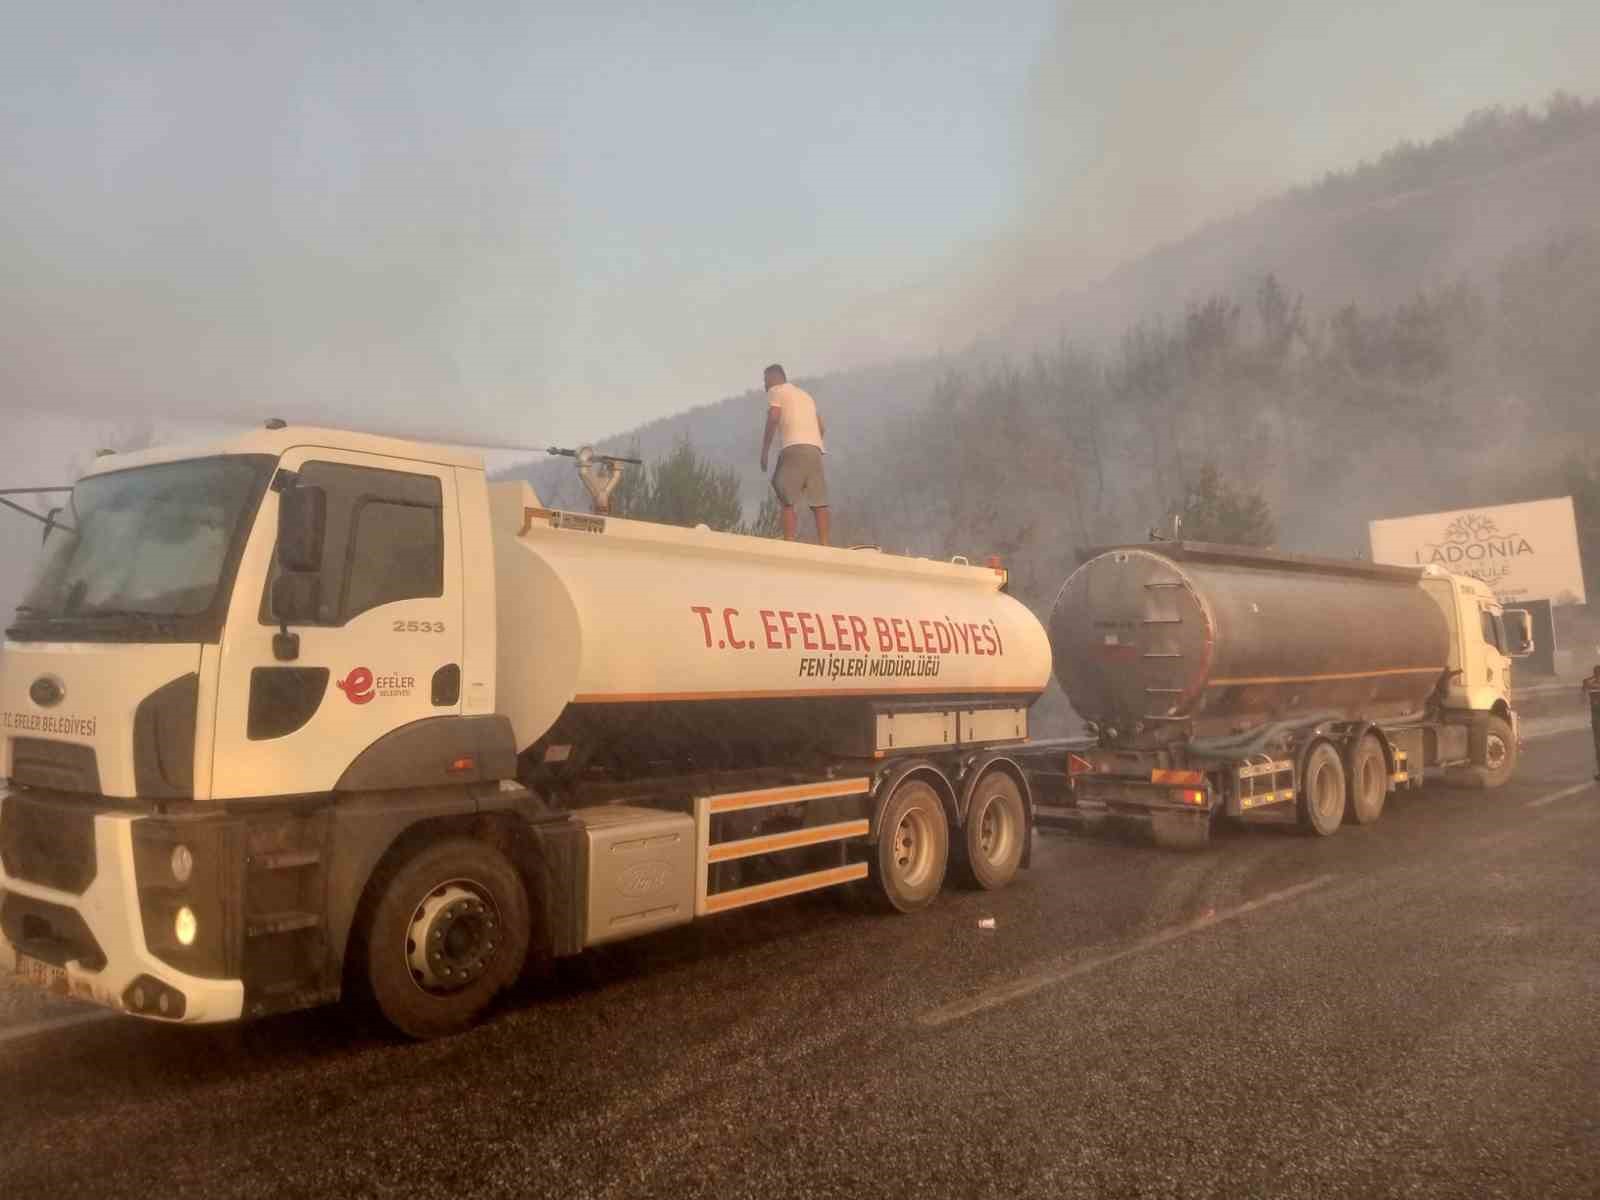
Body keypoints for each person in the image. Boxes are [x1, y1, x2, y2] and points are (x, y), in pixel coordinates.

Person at [758, 363, 830, 545]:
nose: (764, 385)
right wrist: (813, 443)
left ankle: (789, 542)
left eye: (765, 380)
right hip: (815, 450)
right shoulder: (806, 396)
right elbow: (821, 427)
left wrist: (765, 450)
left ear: (775, 378)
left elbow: (774, 416)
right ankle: (825, 544)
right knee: (819, 502)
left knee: (785, 495)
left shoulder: (776, 391)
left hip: (793, 448)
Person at [1583, 664, 1600, 781]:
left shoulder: (1589, 682)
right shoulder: (1589, 683)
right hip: (1596, 718)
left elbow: (1583, 692)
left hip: (1596, 718)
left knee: (1598, 746)